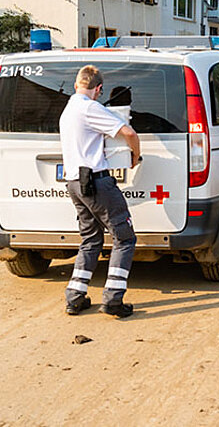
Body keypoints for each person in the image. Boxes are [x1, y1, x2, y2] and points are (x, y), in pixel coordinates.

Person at [59, 65, 141, 318]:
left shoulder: (68, 109)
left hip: (74, 182)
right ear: (98, 89)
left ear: (76, 85)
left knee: (90, 239)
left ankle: (75, 297)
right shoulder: (90, 107)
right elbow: (128, 132)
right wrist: (134, 157)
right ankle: (113, 299)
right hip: (96, 181)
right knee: (124, 238)